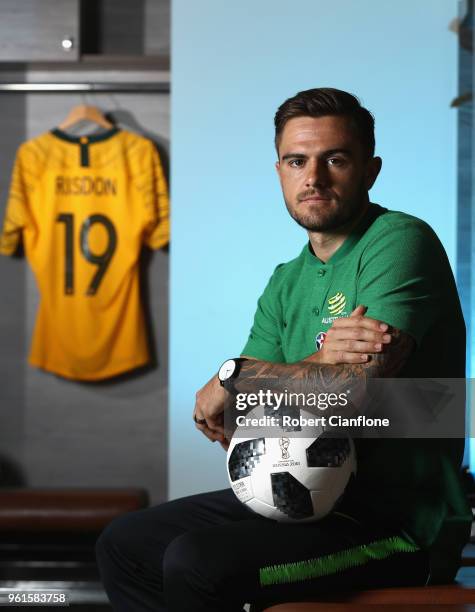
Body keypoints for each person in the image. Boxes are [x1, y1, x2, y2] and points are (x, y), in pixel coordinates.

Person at [96, 88, 471, 611]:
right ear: (280, 172)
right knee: (126, 544)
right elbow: (241, 417)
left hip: (399, 522)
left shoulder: (399, 241)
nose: (313, 177)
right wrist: (309, 367)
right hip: (298, 498)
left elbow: (359, 392)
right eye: (297, 161)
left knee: (197, 562)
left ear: (370, 170)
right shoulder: (285, 282)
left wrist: (239, 377)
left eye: (334, 159)